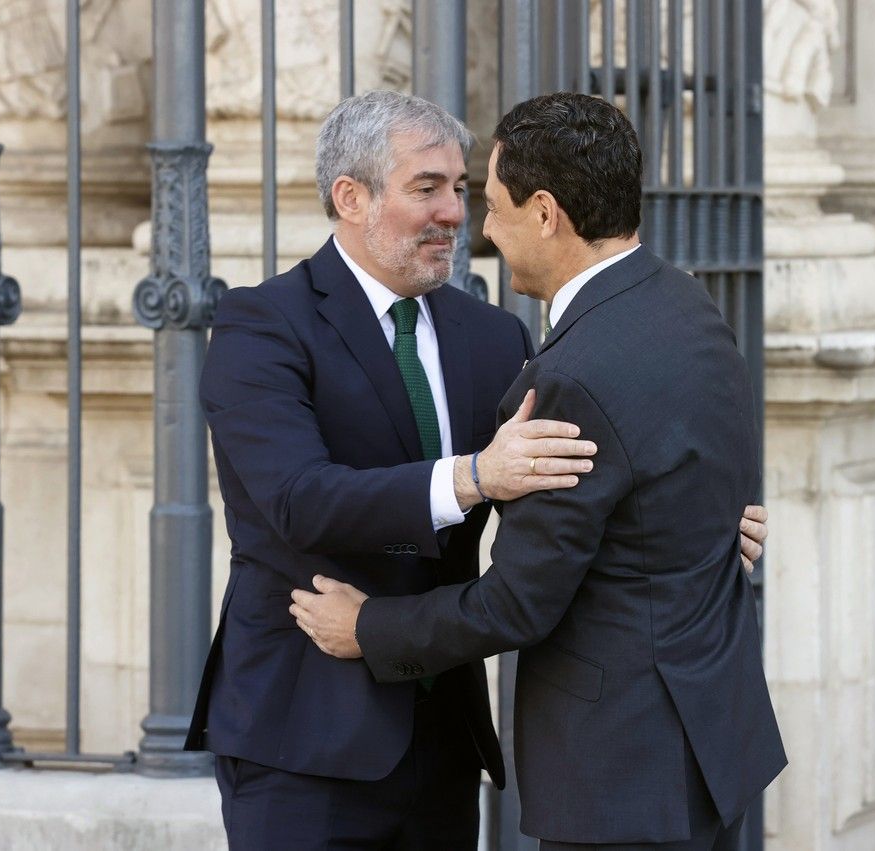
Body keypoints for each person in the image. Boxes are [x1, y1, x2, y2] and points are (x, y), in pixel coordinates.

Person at [188, 90, 771, 849]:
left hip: (442, 739)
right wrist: (472, 477)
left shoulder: (495, 337)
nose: (456, 214)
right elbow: (297, 499)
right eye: (426, 188)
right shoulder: (260, 326)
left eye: (461, 189)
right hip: (304, 737)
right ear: (350, 196)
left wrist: (688, 520)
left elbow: (577, 499)